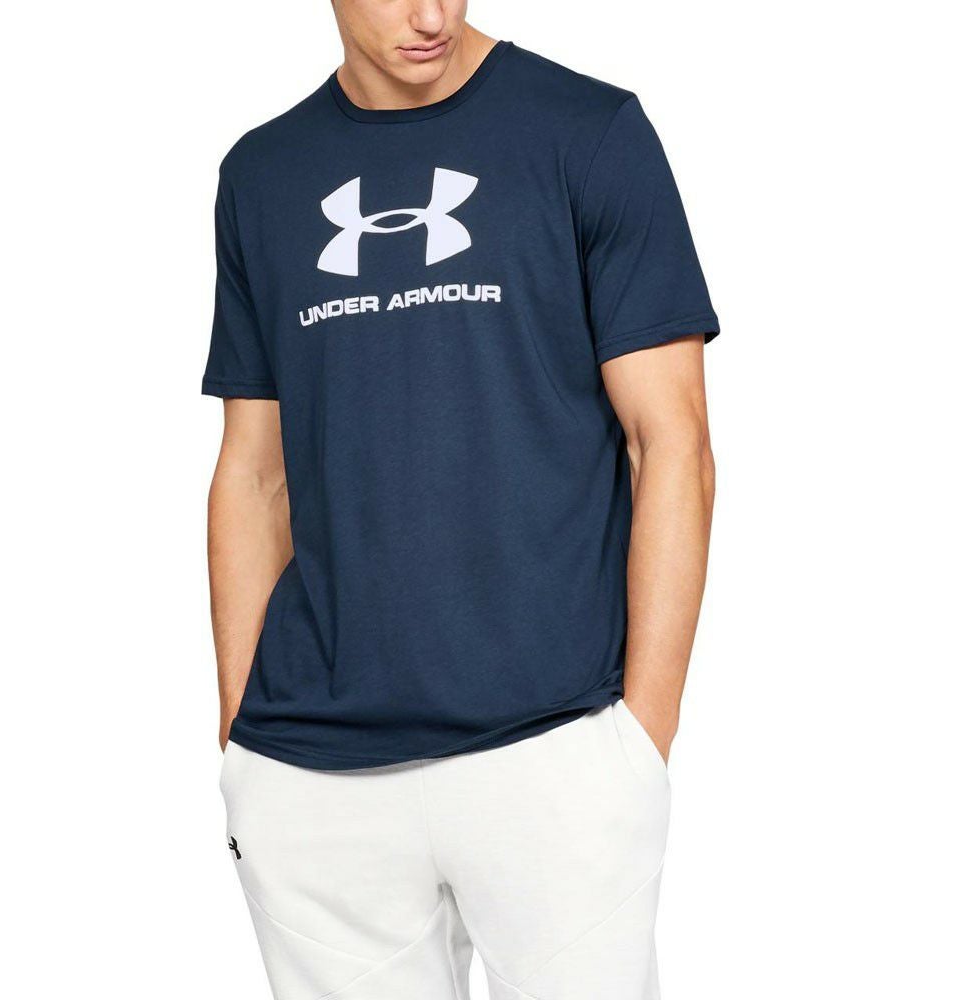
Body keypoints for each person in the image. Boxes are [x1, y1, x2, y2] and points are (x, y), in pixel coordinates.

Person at [204, 3, 718, 997]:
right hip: (312, 777)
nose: (432, 14)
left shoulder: (587, 131)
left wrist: (636, 747)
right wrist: (240, 741)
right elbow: (253, 470)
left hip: (554, 751)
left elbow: (672, 443)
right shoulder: (263, 174)